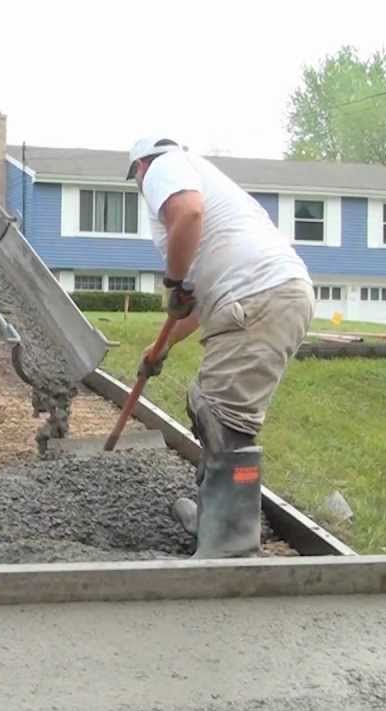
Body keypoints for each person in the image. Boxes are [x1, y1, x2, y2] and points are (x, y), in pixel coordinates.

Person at [126, 136, 315, 558]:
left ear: (140, 166)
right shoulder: (211, 194)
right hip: (264, 295)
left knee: (224, 419)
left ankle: (230, 545)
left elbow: (188, 213)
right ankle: (216, 518)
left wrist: (172, 282)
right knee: (206, 404)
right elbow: (192, 306)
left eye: (137, 176)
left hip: (259, 296)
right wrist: (161, 348)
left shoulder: (166, 167)